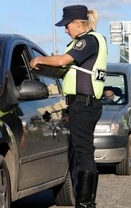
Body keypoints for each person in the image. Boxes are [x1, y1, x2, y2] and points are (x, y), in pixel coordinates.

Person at [30, 5, 107, 208]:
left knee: (83, 152)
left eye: (66, 25)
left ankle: (85, 203)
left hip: (84, 104)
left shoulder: (88, 41)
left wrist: (39, 59)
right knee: (82, 151)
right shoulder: (87, 41)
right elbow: (67, 69)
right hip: (82, 104)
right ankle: (86, 201)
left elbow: (63, 60)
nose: (65, 30)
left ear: (77, 23)